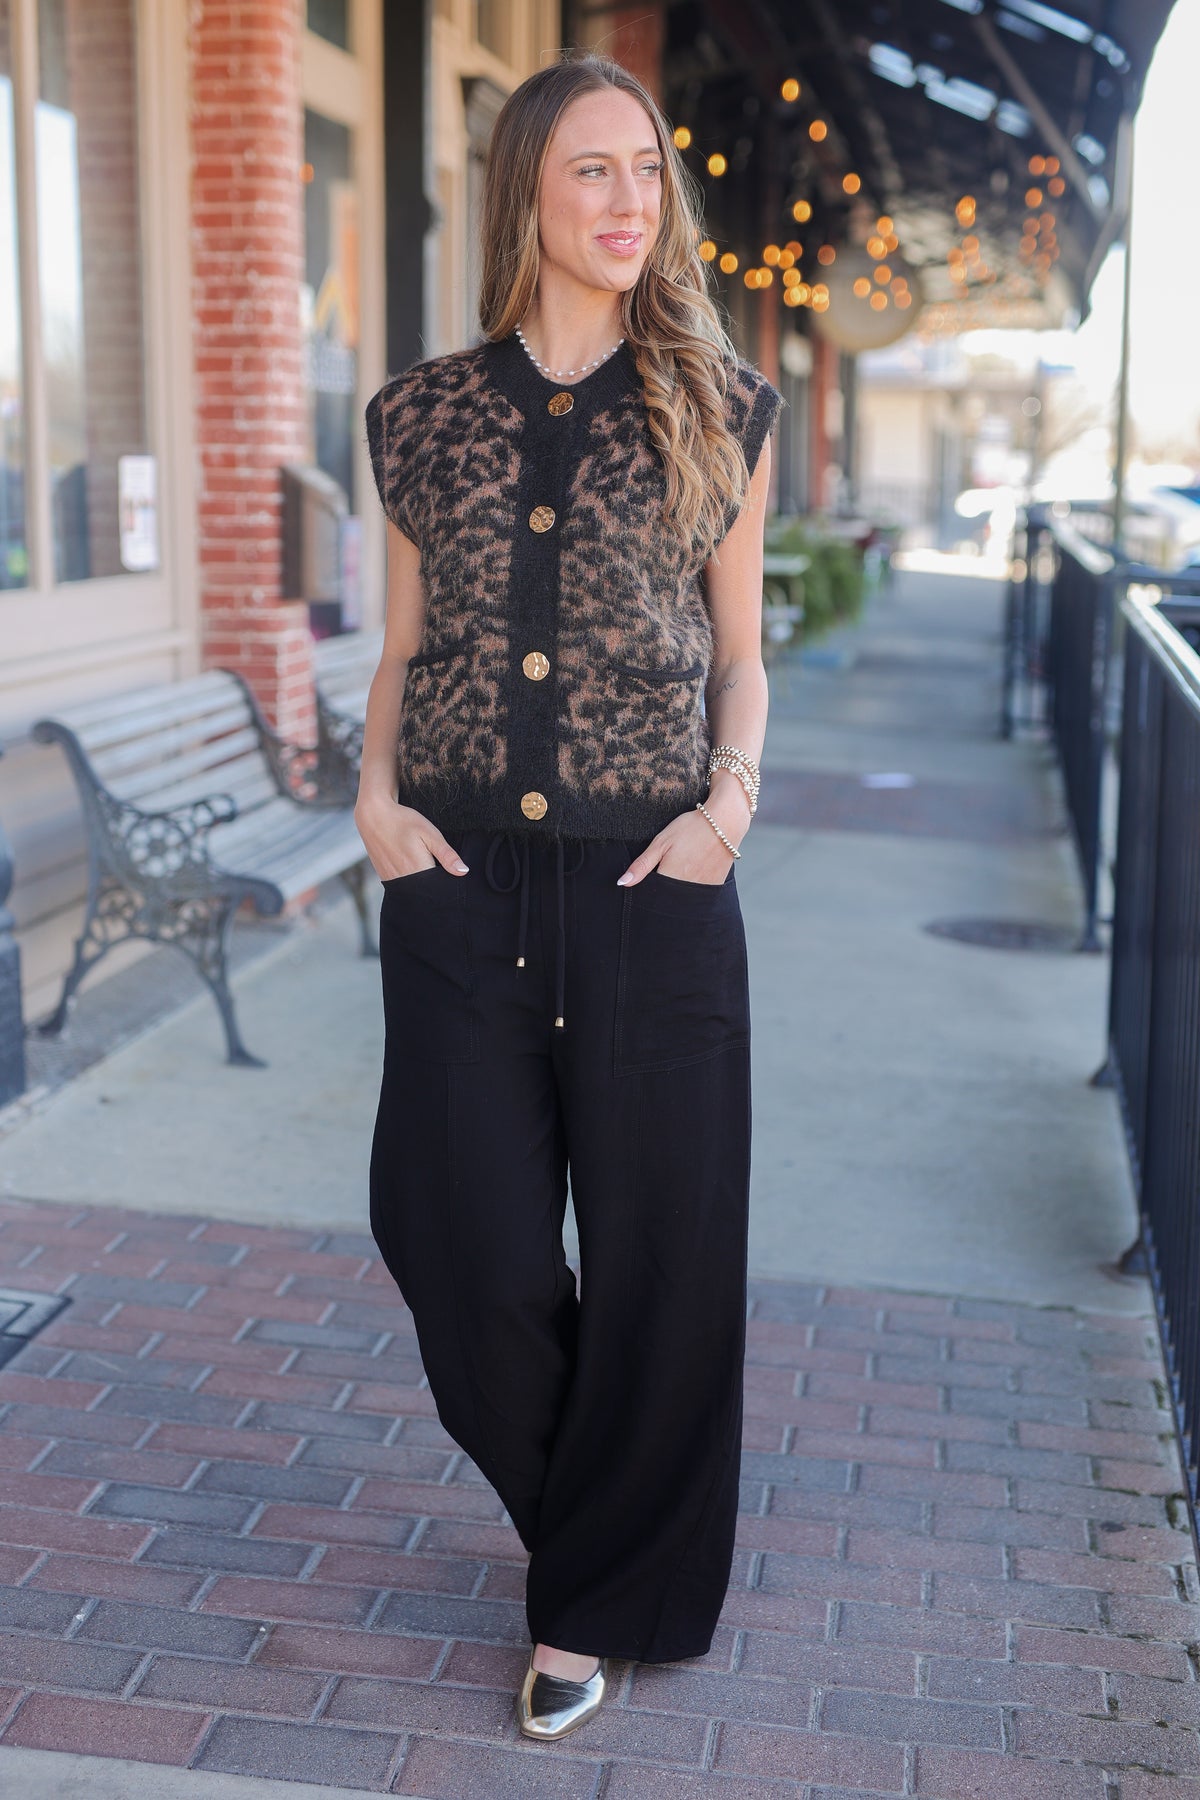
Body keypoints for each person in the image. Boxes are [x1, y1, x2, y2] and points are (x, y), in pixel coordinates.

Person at [356, 48, 783, 1744]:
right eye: (594, 170)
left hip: (654, 880)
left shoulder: (720, 403)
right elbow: (398, 651)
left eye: (649, 170)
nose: (631, 201)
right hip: (457, 882)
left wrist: (729, 816)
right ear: (528, 191)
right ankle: (611, 1540)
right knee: (449, 1231)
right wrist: (372, 802)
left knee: (667, 1253)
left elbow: (745, 661)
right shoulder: (418, 411)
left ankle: (593, 1603)